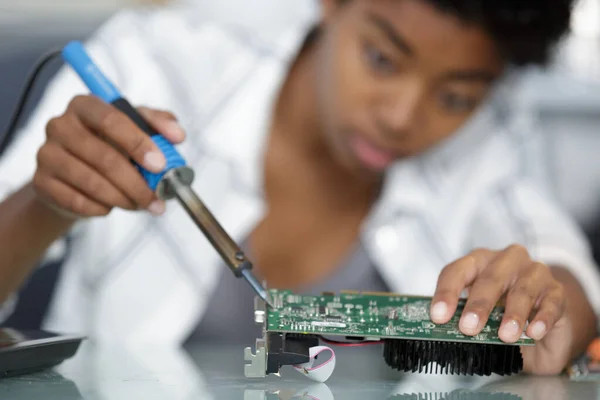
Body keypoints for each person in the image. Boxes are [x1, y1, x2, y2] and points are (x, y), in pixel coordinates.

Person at [0, 0, 598, 375]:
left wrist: (550, 308)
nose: (402, 115)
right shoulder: (159, 60)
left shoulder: (487, 140)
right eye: (383, 58)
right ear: (332, 5)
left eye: (456, 96)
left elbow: (559, 266)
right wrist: (45, 204)